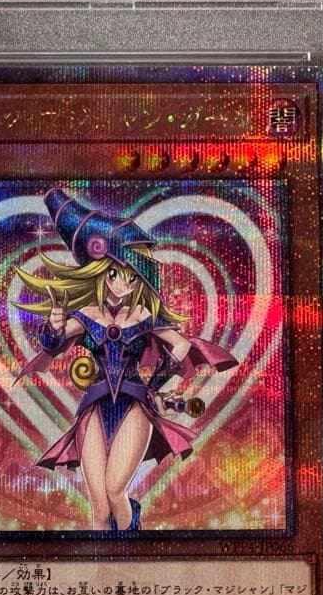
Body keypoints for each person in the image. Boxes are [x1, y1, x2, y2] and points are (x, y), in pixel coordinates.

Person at [14, 188, 237, 531]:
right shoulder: (86, 315)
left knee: (116, 491)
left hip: (134, 404)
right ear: (99, 271)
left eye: (132, 277)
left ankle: (132, 544)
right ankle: (102, 558)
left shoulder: (143, 315)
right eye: (116, 274)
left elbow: (180, 345)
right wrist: (53, 327)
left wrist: (156, 384)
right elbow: (54, 344)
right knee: (99, 505)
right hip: (94, 407)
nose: (123, 284)